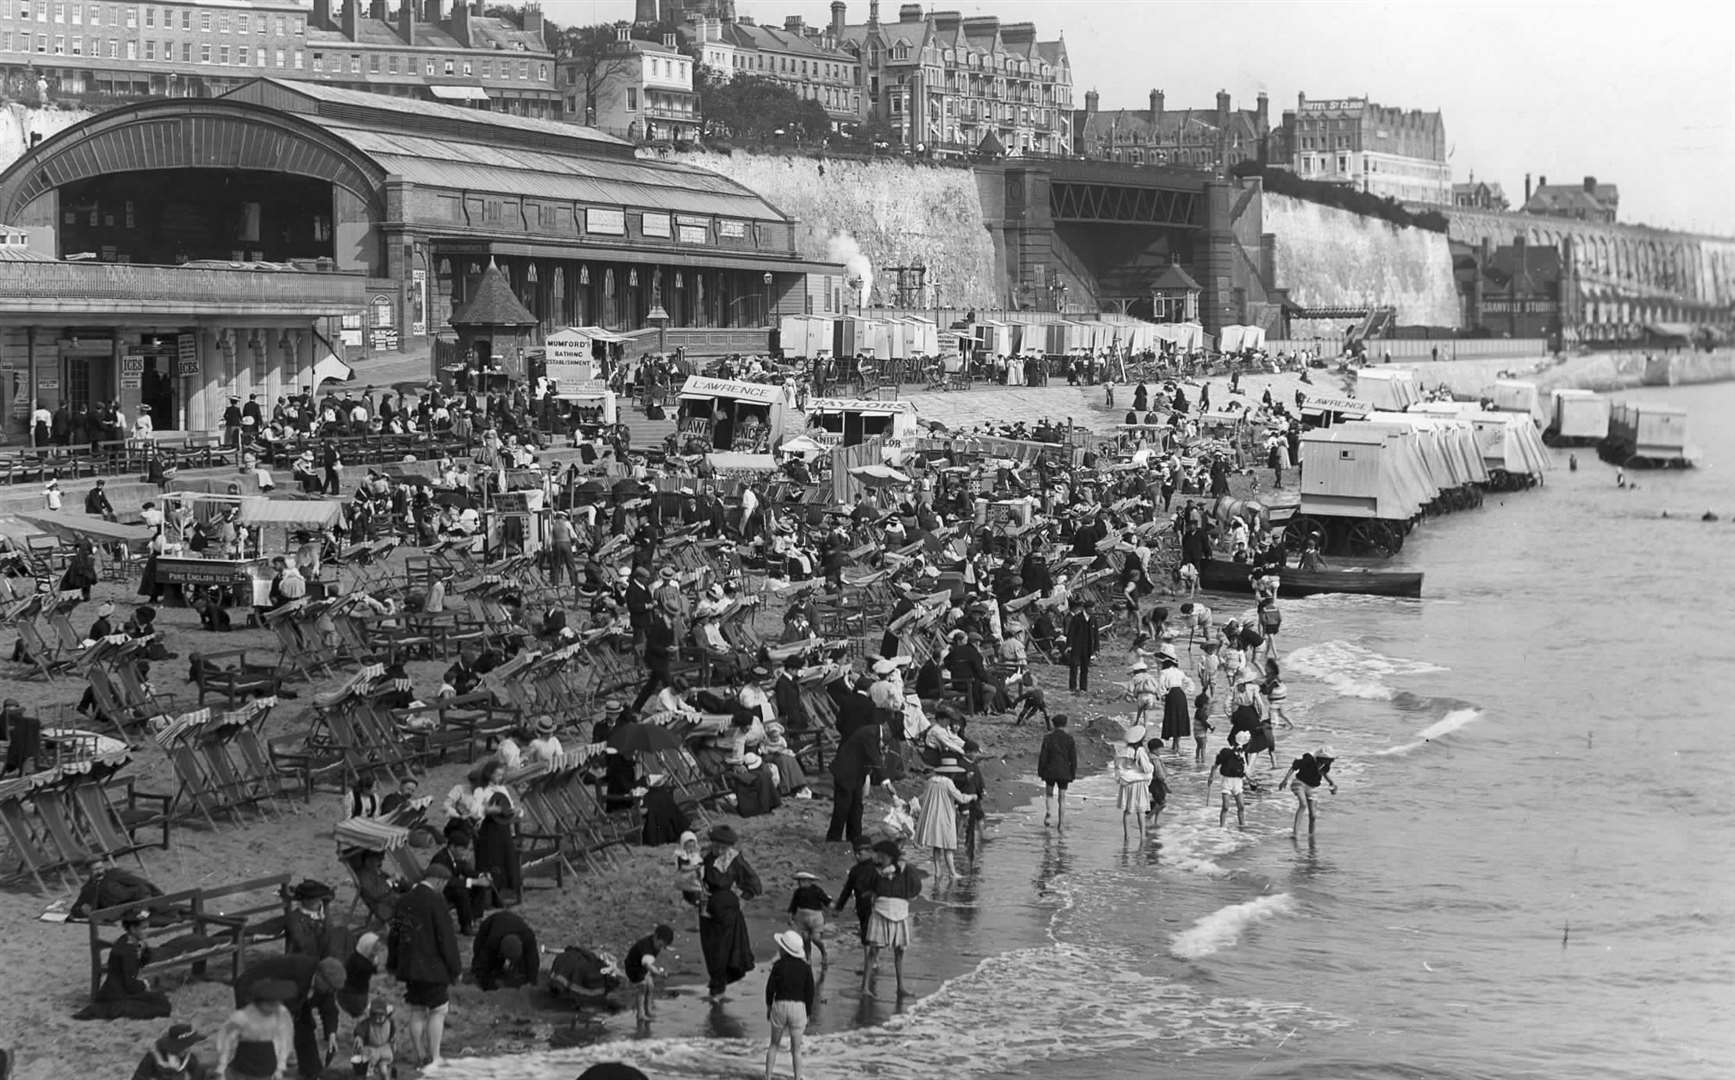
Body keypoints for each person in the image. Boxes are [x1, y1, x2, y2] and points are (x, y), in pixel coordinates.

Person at [390, 863, 461, 1071]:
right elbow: (446, 938)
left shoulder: (403, 900)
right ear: (438, 880)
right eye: (444, 884)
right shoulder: (436, 901)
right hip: (433, 967)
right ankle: (435, 1056)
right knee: (438, 1010)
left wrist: (393, 962)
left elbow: (395, 933)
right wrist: (455, 967)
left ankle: (419, 1053)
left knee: (417, 1010)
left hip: (410, 965)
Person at [230, 955, 345, 1080]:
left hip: (285, 995)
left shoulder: (322, 986)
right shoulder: (298, 975)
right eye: (330, 988)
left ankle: (311, 1071)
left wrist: (332, 1034)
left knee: (304, 1024)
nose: (331, 992)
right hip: (251, 989)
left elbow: (329, 1008)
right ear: (319, 977)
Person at [698, 824, 762, 1001]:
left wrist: (743, 899)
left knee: (724, 951)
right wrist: (698, 893)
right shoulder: (702, 857)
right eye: (716, 846)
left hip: (728, 913)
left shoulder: (734, 860)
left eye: (723, 847)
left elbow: (753, 882)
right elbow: (690, 881)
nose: (719, 850)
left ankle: (718, 990)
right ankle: (717, 984)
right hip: (707, 911)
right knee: (710, 950)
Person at [862, 839, 920, 1000]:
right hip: (883, 910)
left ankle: (900, 986)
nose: (876, 856)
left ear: (885, 855)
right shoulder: (875, 870)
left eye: (879, 854)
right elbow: (866, 885)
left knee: (899, 950)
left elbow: (915, 886)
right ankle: (866, 987)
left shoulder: (904, 869)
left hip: (898, 910)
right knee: (874, 950)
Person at [214, 978, 295, 1080]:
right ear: (259, 1002)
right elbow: (226, 1040)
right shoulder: (242, 1017)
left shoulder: (280, 1013)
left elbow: (284, 1038)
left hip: (267, 1063)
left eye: (276, 1003)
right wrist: (222, 1066)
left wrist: (280, 1066)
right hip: (244, 1063)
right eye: (270, 1004)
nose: (274, 1007)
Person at [914, 755, 977, 882]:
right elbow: (960, 798)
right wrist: (972, 796)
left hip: (932, 817)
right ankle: (952, 873)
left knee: (937, 846)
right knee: (948, 846)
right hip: (945, 817)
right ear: (950, 772)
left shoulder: (931, 781)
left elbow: (923, 796)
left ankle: (938, 872)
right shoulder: (948, 782)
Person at [764, 930, 816, 1080]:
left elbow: (770, 988)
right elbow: (810, 992)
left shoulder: (778, 966)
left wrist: (769, 1006)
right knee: (796, 1049)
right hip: (798, 1007)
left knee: (774, 1045)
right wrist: (809, 1012)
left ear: (784, 950)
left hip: (780, 1004)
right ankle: (797, 1077)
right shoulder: (806, 968)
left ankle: (768, 1076)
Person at [1277, 746, 1338, 837]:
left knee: (1313, 815)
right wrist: (1285, 780)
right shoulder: (1308, 759)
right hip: (1299, 783)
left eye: (1331, 760)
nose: (1330, 761)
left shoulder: (1325, 764)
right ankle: (1295, 833)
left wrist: (1332, 783)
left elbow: (1323, 773)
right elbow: (1294, 767)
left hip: (1312, 787)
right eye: (1329, 759)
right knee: (1303, 804)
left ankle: (1311, 836)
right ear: (1322, 757)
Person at [471, 909, 539, 991]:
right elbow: (482, 963)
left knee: (525, 967)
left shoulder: (528, 937)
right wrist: (490, 986)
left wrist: (531, 982)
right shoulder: (492, 942)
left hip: (511, 924)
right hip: (490, 925)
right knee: (482, 964)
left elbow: (533, 961)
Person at [624, 924, 675, 1023]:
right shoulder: (646, 947)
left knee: (650, 986)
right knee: (642, 987)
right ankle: (640, 1014)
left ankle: (648, 1009)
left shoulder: (654, 943)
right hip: (633, 968)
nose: (660, 948)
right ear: (655, 937)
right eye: (660, 945)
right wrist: (659, 973)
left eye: (664, 947)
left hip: (642, 967)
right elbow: (648, 965)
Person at [833, 841, 879, 946]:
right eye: (855, 854)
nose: (857, 856)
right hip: (861, 907)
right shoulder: (854, 870)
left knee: (870, 936)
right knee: (865, 935)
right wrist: (839, 908)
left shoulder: (877, 868)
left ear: (869, 852)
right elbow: (847, 890)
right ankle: (870, 960)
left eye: (860, 853)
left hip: (874, 907)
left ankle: (871, 960)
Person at [1037, 713, 1078, 829]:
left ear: (1053, 725)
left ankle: (1049, 812)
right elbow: (1073, 758)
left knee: (1049, 793)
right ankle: (1061, 823)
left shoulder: (1048, 738)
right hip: (1064, 771)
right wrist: (1073, 773)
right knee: (1062, 797)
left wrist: (1041, 771)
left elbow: (1043, 756)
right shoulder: (1069, 739)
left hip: (1050, 770)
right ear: (1065, 724)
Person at [1114, 725, 1154, 842]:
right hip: (1139, 783)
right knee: (1141, 810)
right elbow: (1146, 769)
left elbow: (1118, 767)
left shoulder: (1122, 750)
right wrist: (1151, 767)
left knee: (1127, 810)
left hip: (1126, 783)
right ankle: (1142, 836)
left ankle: (1127, 836)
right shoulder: (1140, 751)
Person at [129, 1022, 208, 1080]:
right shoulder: (153, 1057)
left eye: (188, 1045)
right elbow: (138, 1077)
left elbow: (197, 1073)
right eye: (183, 1046)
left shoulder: (189, 1058)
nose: (187, 1050)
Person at [1207, 730, 1250, 829]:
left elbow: (1245, 770)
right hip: (1227, 782)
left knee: (1241, 806)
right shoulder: (1226, 753)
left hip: (1238, 782)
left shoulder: (1242, 755)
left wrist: (1250, 780)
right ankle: (1222, 827)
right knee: (1225, 806)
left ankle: (1242, 825)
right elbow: (1215, 765)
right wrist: (1211, 777)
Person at [787, 871, 832, 967]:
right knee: (806, 939)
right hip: (801, 918)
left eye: (803, 880)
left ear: (809, 881)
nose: (800, 883)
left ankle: (823, 953)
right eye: (799, 881)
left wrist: (835, 909)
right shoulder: (797, 892)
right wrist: (790, 917)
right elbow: (793, 906)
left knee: (815, 939)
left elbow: (827, 901)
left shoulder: (817, 890)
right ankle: (808, 958)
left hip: (816, 918)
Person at [349, 999, 395, 1080]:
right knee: (368, 1071)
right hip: (370, 1051)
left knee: (384, 1069)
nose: (377, 1019)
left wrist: (392, 1040)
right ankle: (368, 1074)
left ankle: (385, 1076)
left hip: (384, 1050)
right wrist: (359, 1038)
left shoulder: (389, 1023)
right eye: (375, 1016)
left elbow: (392, 1032)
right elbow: (360, 1030)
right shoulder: (367, 1023)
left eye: (380, 1016)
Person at [1064, 598, 1098, 694]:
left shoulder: (1093, 619)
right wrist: (1069, 645)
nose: (1094, 610)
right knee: (1074, 666)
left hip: (1087, 647)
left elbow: (1096, 635)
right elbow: (1071, 632)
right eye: (1093, 608)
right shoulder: (1077, 618)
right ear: (1087, 608)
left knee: (1085, 668)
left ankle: (1083, 687)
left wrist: (1096, 648)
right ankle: (1072, 687)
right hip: (1076, 646)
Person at [1192, 689, 1215, 766]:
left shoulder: (1198, 711)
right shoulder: (1202, 712)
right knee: (1203, 747)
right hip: (1201, 733)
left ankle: (1197, 758)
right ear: (1204, 704)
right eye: (1207, 704)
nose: (1208, 705)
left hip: (1196, 733)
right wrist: (1210, 727)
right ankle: (1203, 761)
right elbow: (1204, 722)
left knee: (1198, 746)